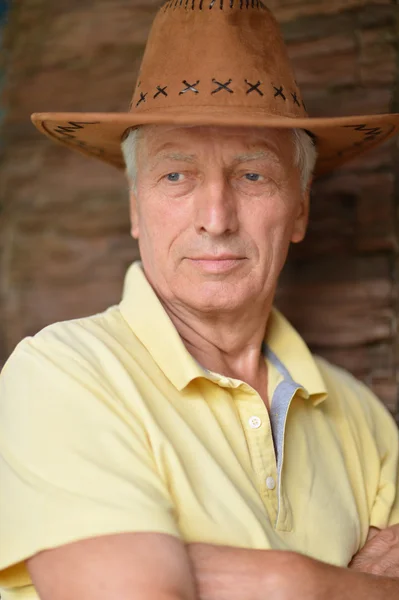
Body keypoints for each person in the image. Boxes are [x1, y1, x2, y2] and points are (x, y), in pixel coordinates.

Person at [1, 1, 399, 599]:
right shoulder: (60, 373)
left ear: (301, 209)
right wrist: (308, 582)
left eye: (253, 175)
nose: (216, 219)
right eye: (176, 175)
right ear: (136, 208)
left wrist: (205, 571)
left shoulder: (362, 417)